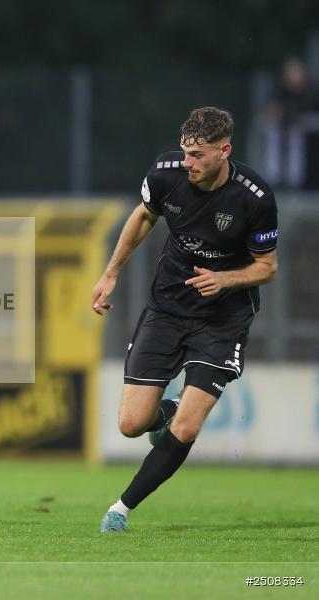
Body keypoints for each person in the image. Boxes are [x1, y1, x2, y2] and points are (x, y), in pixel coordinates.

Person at [91, 107, 278, 533]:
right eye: (185, 152)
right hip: (168, 308)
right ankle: (167, 411)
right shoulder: (165, 173)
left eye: (198, 155)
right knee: (131, 424)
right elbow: (143, 218)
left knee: (189, 425)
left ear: (224, 150)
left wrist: (225, 279)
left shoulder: (255, 198)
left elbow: (267, 267)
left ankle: (121, 509)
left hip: (223, 319)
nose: (189, 162)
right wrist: (110, 273)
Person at [262, 57, 316, 190]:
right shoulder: (280, 89)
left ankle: (295, 179)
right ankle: (274, 177)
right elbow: (271, 109)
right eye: (290, 73)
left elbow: (307, 110)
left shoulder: (311, 89)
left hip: (306, 127)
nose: (293, 76)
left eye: (296, 72)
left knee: (296, 132)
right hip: (284, 126)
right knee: (273, 130)